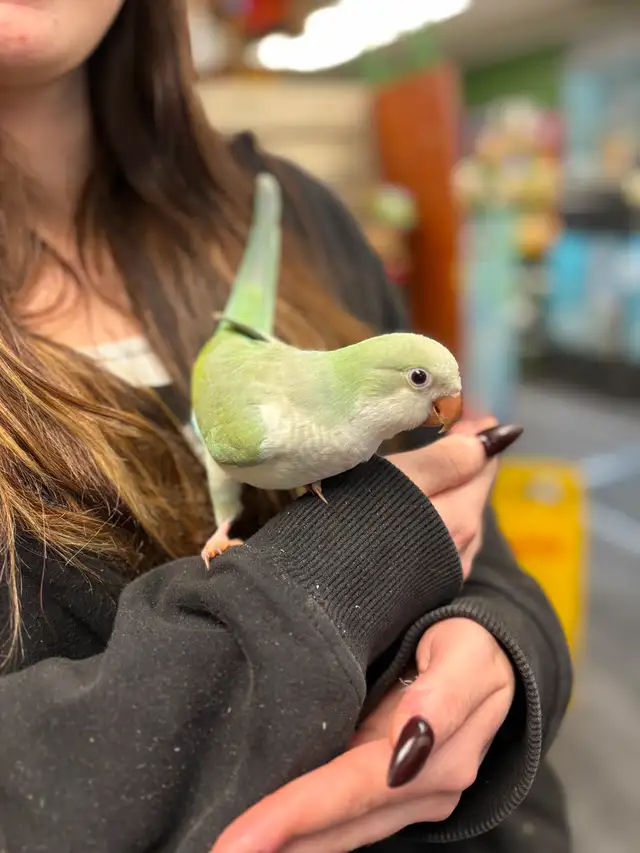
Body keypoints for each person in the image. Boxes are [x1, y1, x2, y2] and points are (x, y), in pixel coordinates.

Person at [0, 2, 573, 852]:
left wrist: (495, 649)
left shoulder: (303, 212)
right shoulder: (251, 422)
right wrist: (326, 581)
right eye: (423, 384)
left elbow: (475, 544)